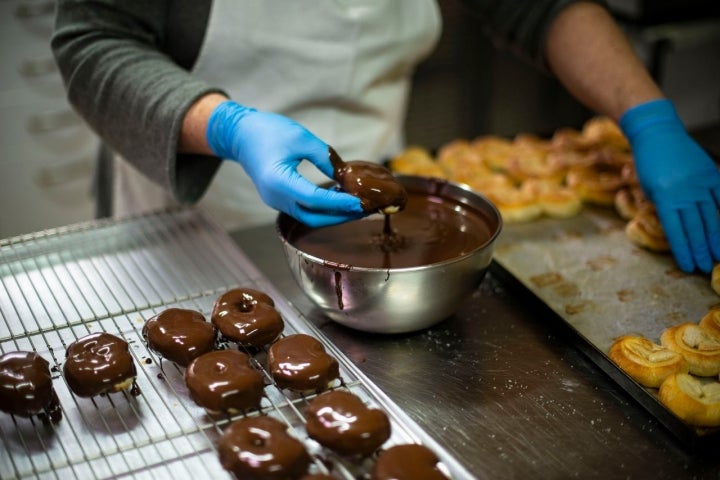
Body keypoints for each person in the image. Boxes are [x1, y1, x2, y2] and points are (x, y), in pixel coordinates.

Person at [51, 0, 720, 273]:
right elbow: (92, 40)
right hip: (194, 210)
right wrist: (232, 127)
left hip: (373, 202)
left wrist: (647, 115)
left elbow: (539, 5)